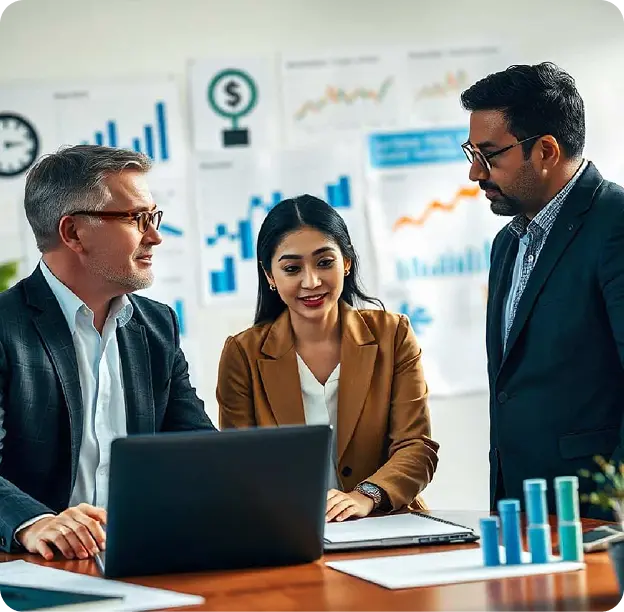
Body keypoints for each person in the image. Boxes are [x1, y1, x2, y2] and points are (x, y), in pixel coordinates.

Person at [0, 145, 215, 560]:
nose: (155, 236)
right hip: (34, 567)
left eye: (154, 217)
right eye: (137, 219)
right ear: (73, 233)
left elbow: (196, 447)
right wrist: (35, 522)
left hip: (142, 555)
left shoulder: (156, 326)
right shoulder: (6, 328)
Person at [460, 62, 624, 519]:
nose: (475, 173)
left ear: (547, 150)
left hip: (596, 517)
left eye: (490, 155)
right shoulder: (507, 243)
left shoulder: (615, 225)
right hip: (519, 509)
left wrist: (615, 510)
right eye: (471, 153)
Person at [216, 194, 439, 522]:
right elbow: (241, 465)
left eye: (324, 262)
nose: (311, 281)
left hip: (384, 523)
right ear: (269, 276)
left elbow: (416, 446)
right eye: (292, 268)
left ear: (346, 262)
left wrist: (366, 496)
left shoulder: (393, 335)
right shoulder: (243, 355)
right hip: (287, 529)